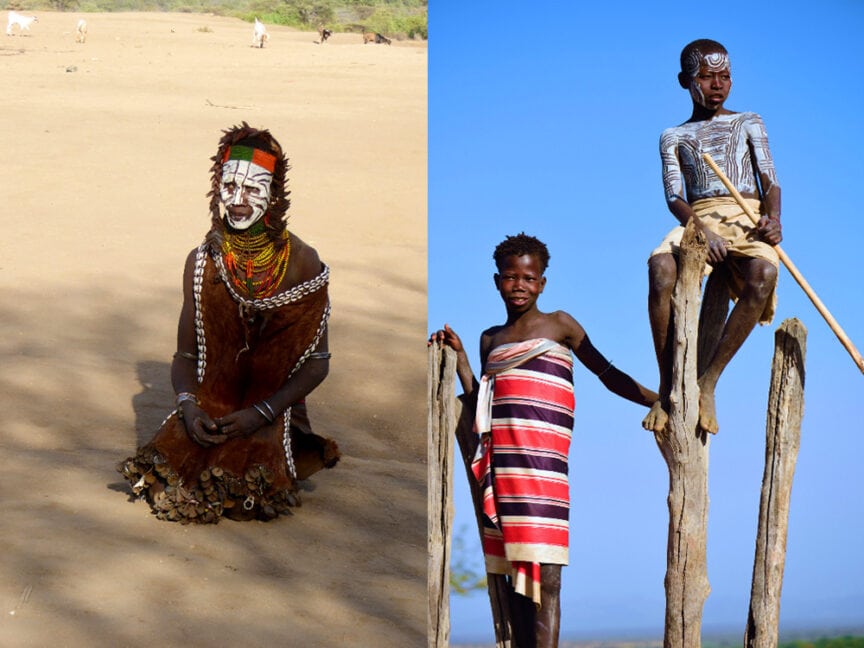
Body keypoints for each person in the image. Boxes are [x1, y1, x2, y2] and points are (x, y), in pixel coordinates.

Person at [430, 233, 657, 648]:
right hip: (504, 469)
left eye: (529, 278)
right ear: (497, 281)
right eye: (511, 277)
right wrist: (460, 358)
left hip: (545, 470)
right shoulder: (490, 339)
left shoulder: (560, 325)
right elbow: (481, 403)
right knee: (515, 581)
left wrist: (658, 400)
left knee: (548, 579)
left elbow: (607, 374)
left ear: (542, 284)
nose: (519, 286)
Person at [118, 123, 340, 523]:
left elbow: (317, 362)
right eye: (230, 186)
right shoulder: (202, 262)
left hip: (270, 404)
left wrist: (261, 413)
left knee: (242, 500)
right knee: (165, 483)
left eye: (253, 189)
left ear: (273, 195)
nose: (237, 200)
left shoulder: (301, 262)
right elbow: (186, 356)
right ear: (216, 188)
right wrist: (189, 406)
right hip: (214, 405)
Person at [642, 39, 783, 436]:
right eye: (706, 77)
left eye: (725, 76)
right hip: (698, 218)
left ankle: (708, 381)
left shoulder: (750, 121)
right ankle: (668, 386)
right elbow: (674, 197)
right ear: (685, 80)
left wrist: (773, 219)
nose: (717, 85)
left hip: (746, 213)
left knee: (764, 275)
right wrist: (701, 231)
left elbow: (771, 181)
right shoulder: (673, 135)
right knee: (660, 268)